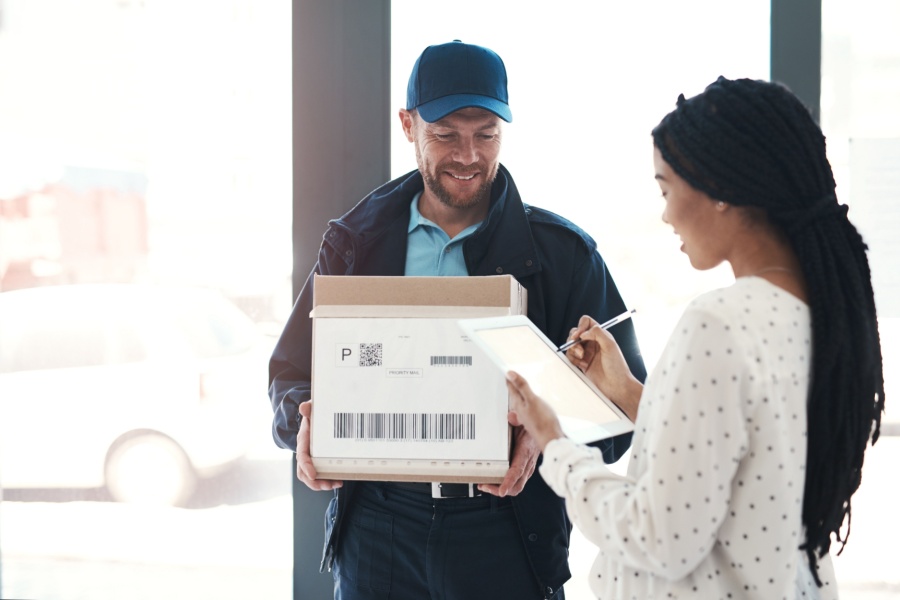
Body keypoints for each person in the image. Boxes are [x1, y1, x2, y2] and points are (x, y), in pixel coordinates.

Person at [267, 40, 646, 600]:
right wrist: (304, 422)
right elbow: (290, 374)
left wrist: (545, 437)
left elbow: (620, 419)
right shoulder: (354, 244)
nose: (468, 155)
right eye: (445, 134)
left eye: (486, 134)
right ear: (407, 125)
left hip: (506, 531)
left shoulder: (565, 257)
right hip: (378, 529)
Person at [504, 76, 886, 599]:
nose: (665, 214)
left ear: (721, 189)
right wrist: (630, 393)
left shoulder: (719, 323)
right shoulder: (816, 316)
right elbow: (734, 459)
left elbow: (657, 536)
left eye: (666, 189)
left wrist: (555, 443)